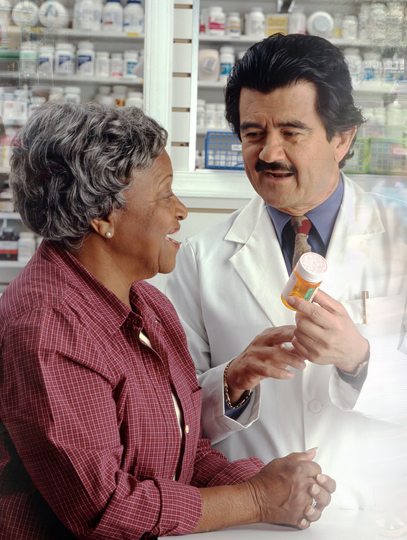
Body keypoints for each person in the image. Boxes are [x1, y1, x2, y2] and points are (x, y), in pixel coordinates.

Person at [0, 102, 337, 537]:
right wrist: (256, 500)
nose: (181, 210)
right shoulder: (48, 332)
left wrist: (272, 485)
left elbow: (180, 450)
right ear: (102, 217)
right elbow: (107, 510)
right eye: (164, 193)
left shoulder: (146, 303)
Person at [164, 34, 407, 514]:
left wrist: (359, 360)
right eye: (253, 133)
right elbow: (171, 415)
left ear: (342, 138)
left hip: (370, 513)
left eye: (292, 132)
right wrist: (230, 382)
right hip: (250, 518)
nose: (269, 153)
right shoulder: (199, 257)